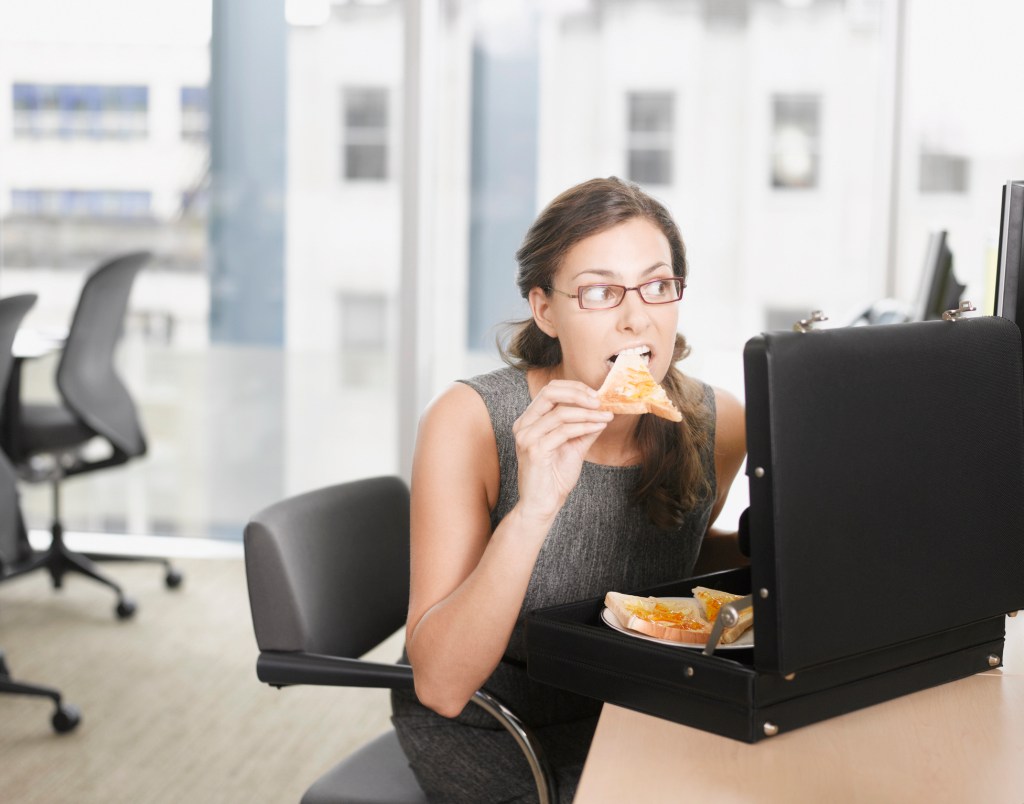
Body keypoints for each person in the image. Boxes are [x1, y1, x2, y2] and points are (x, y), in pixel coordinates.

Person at [391, 176, 747, 803]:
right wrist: (534, 512)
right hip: (493, 720)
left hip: (640, 702)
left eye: (657, 286)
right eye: (599, 292)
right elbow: (442, 684)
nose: (637, 318)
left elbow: (672, 563)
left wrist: (776, 549)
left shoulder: (720, 424)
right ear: (545, 310)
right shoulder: (469, 421)